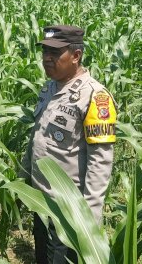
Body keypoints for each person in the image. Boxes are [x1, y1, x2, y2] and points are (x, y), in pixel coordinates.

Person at [19, 25, 116, 264]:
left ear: (75, 55)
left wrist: (88, 220)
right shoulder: (49, 87)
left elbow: (100, 162)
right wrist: (22, 179)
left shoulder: (94, 97)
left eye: (55, 53)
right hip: (41, 201)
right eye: (44, 52)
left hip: (67, 207)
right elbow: (37, 137)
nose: (47, 59)